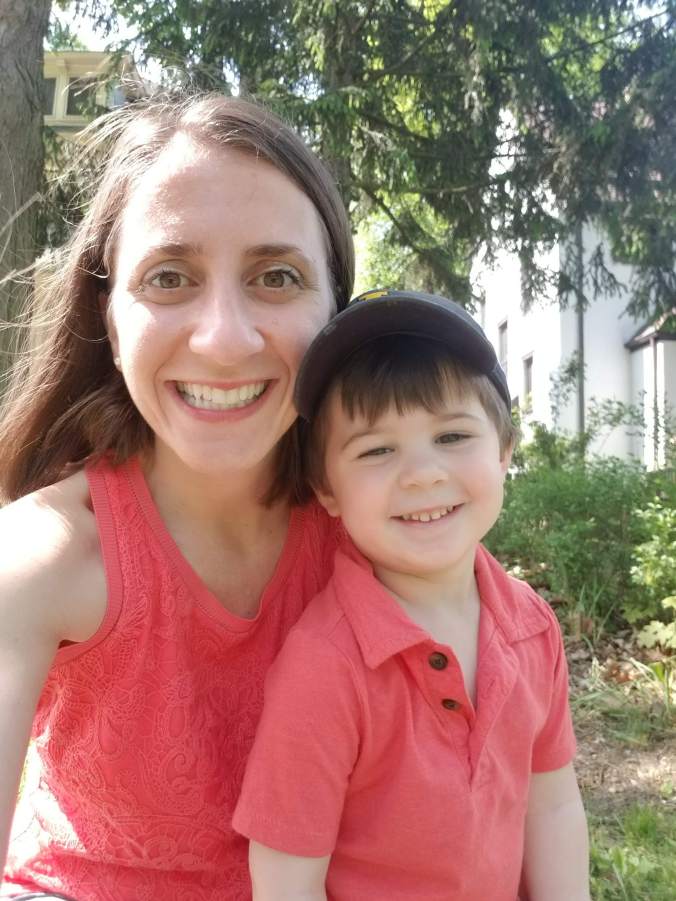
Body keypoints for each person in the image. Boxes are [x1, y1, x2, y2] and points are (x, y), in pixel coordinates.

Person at [0, 92, 354, 901]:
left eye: (277, 276)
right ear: (109, 318)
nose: (224, 339)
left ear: (336, 310)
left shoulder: (383, 543)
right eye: (168, 277)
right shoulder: (39, 557)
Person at [233, 289, 591, 901]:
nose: (423, 474)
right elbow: (286, 877)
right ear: (327, 490)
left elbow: (551, 804)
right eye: (377, 450)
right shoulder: (326, 666)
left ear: (504, 449)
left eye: (452, 437)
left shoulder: (531, 625)